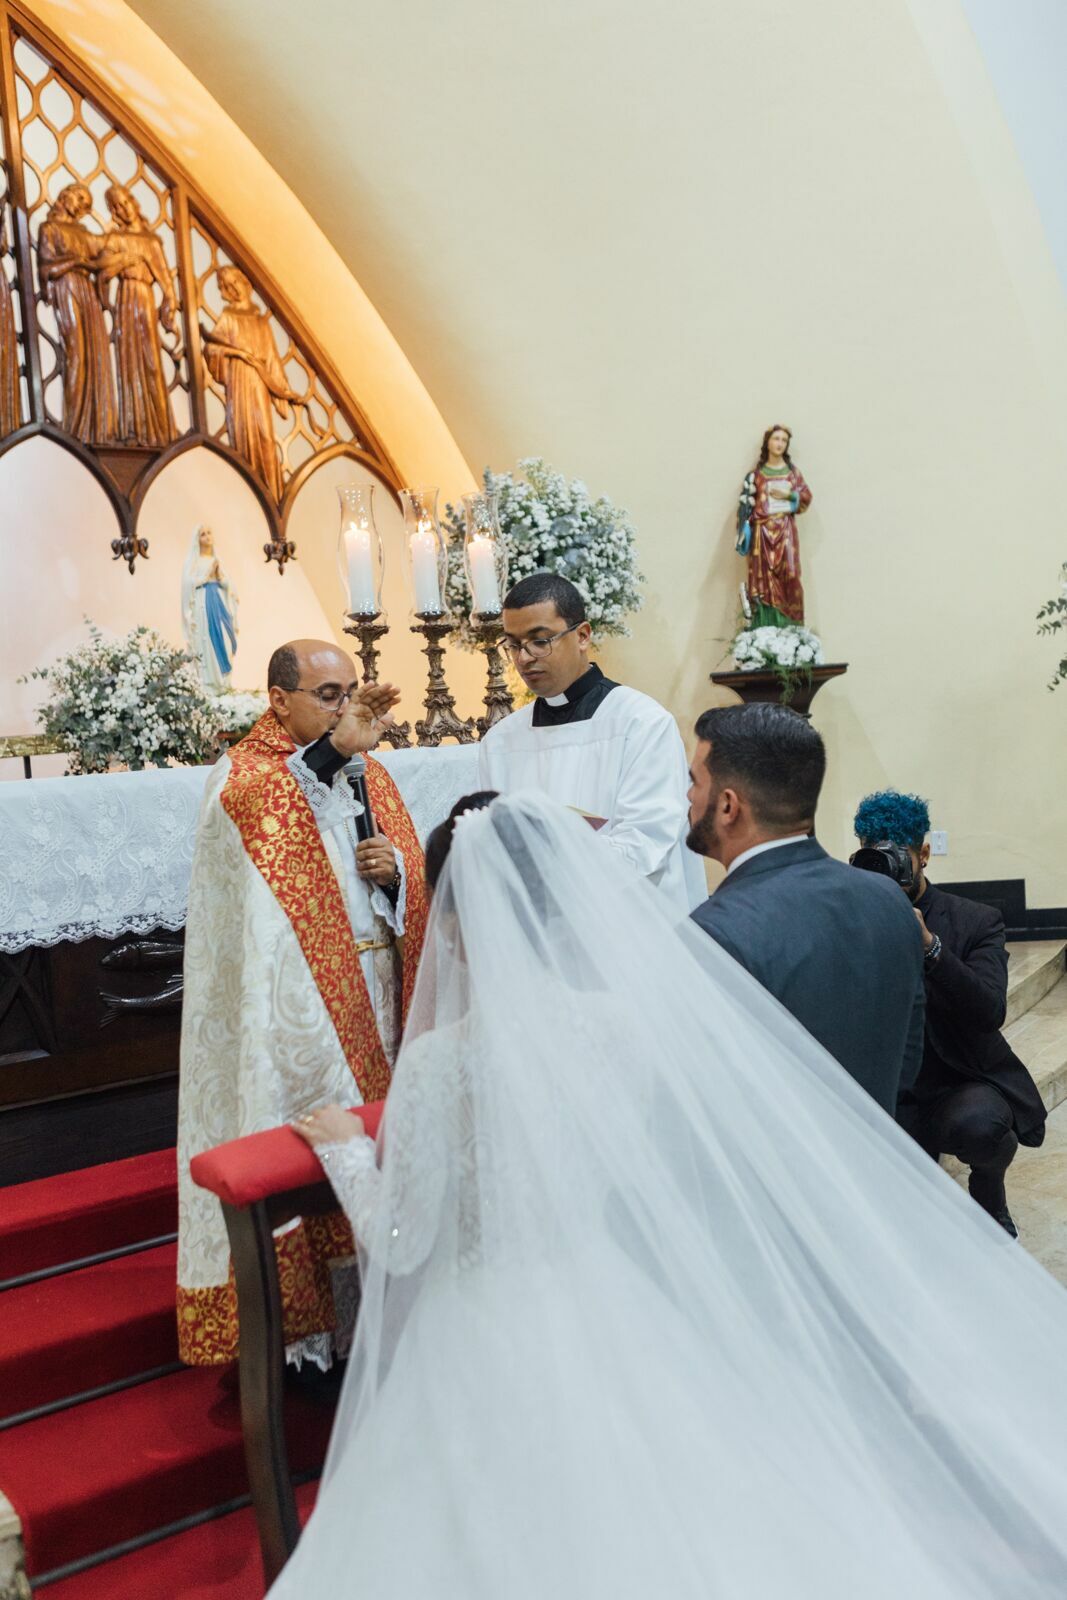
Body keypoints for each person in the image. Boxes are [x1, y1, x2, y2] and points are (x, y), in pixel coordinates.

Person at [268, 790, 1067, 1599]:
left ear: (450, 919)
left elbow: (402, 1241)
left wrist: (343, 1151)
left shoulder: (442, 1062)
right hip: (611, 1300)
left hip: (482, 1329)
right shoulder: (622, 1025)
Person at [177, 639, 428, 1369]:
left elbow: (405, 876)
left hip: (376, 992)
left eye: (349, 691)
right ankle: (311, 1345)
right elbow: (268, 814)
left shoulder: (368, 771)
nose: (343, 706)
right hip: (301, 1014)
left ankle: (384, 1323)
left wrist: (396, 879)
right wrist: (334, 753)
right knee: (312, 1153)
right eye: (326, 693)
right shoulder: (241, 776)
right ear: (277, 699)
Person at [687, 704, 923, 1114]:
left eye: (693, 781)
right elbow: (907, 1060)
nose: (687, 796)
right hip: (876, 1156)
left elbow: (705, 1100)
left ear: (728, 806)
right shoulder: (889, 900)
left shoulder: (713, 932)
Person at [853, 790, 1047, 1237]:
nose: (886, 866)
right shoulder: (852, 915)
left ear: (923, 854)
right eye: (872, 853)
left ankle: (989, 1192)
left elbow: (988, 1010)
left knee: (982, 1128)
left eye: (897, 854)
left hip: (956, 1079)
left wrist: (931, 949)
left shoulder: (975, 920)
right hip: (889, 1084)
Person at [477, 572, 705, 911]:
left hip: (631, 924)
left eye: (540, 641)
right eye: (512, 644)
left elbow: (646, 842)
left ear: (582, 635)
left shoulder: (641, 723)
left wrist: (548, 871)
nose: (523, 658)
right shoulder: (500, 742)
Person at [735, 424, 812, 626]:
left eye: (784, 440)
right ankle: (765, 628)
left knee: (791, 575)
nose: (780, 443)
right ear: (767, 442)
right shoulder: (756, 476)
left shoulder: (792, 473)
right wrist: (744, 527)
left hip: (785, 530)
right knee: (763, 581)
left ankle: (791, 629)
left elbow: (805, 497)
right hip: (762, 533)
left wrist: (788, 495)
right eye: (776, 439)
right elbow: (745, 509)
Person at [181, 525, 238, 690]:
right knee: (207, 640)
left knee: (227, 639)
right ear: (197, 539)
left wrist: (220, 576)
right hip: (203, 604)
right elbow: (187, 584)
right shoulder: (194, 561)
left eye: (209, 532)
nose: (207, 536)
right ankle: (211, 682)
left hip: (219, 601)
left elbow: (229, 585)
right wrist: (205, 576)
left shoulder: (217, 560)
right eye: (202, 534)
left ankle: (224, 681)